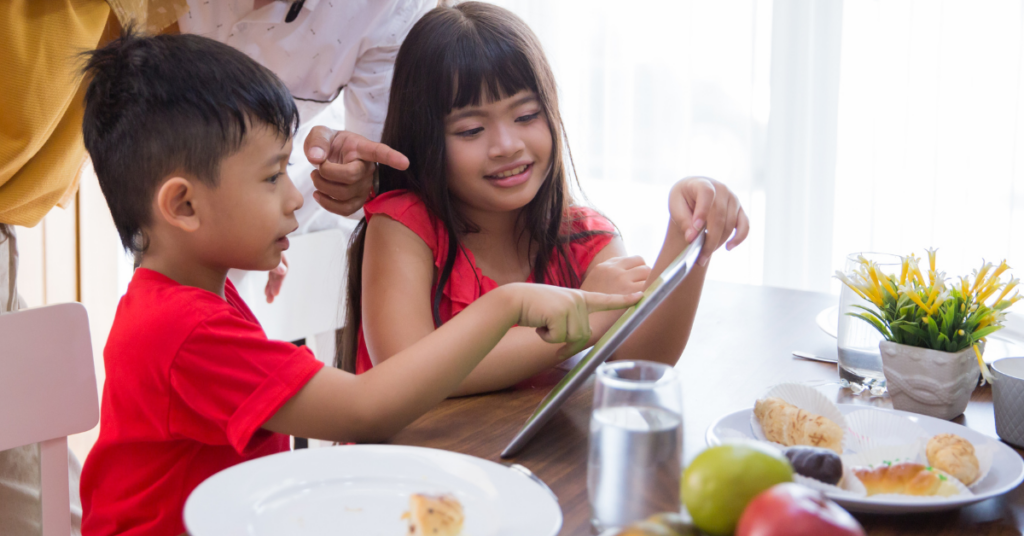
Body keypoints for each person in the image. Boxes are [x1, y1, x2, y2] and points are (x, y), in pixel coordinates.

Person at [76, 30, 638, 536]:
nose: (295, 197)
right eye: (272, 177)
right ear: (184, 205)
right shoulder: (185, 329)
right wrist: (509, 306)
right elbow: (363, 409)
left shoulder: (184, 296)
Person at [342, 2, 750, 395]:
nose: (506, 145)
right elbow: (405, 372)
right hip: (411, 464)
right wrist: (583, 323)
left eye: (526, 116)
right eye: (470, 130)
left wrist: (689, 236)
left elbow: (641, 364)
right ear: (425, 138)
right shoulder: (403, 225)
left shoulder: (582, 236)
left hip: (529, 463)